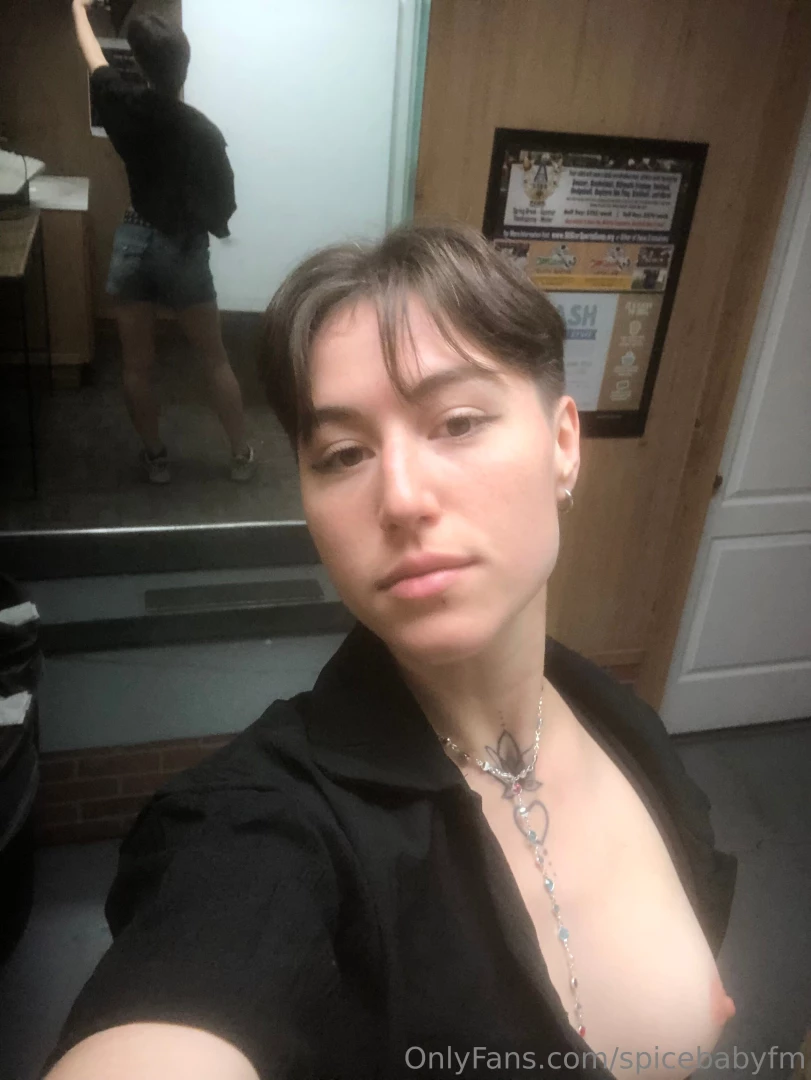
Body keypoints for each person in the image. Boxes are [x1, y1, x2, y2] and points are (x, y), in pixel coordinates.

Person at [42, 223, 737, 1080]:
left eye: (457, 422)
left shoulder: (623, 726)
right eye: (344, 454)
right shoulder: (263, 828)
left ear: (563, 444)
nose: (401, 498)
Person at [71, 0, 255, 483]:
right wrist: (198, 223)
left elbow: (94, 59)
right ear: (184, 65)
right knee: (214, 359)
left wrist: (77, 9)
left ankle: (156, 460)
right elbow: (225, 205)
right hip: (183, 248)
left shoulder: (125, 104)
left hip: (133, 242)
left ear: (140, 63)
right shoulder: (204, 133)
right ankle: (241, 457)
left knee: (136, 366)